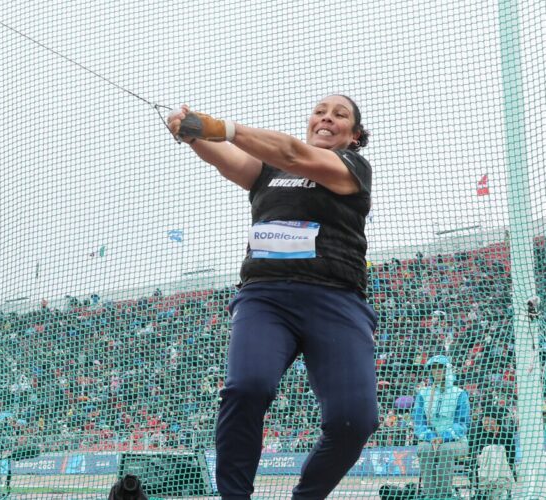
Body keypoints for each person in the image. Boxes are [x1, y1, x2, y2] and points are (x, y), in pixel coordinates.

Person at [167, 95, 377, 499]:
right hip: (266, 298)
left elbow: (294, 154)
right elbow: (223, 156)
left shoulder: (351, 167)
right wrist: (190, 132)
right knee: (246, 387)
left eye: (339, 115)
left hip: (335, 301)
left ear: (354, 135)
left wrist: (219, 126)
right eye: (320, 111)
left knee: (355, 420)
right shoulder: (269, 171)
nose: (326, 118)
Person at [412, 355, 470, 499]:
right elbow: (418, 422)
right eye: (433, 368)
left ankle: (444, 494)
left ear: (447, 369)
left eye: (440, 367)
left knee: (445, 450)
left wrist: (444, 438)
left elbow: (462, 424)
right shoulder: (423, 393)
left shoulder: (459, 393)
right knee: (424, 449)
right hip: (430, 440)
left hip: (456, 442)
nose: (437, 371)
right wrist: (430, 437)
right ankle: (430, 494)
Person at [468, 404, 515, 499]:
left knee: (498, 451)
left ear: (496, 420)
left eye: (489, 420)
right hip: (483, 469)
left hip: (503, 470)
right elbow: (472, 451)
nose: (486, 423)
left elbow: (511, 457)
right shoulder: (478, 433)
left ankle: (500, 486)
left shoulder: (507, 434)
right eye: (484, 420)